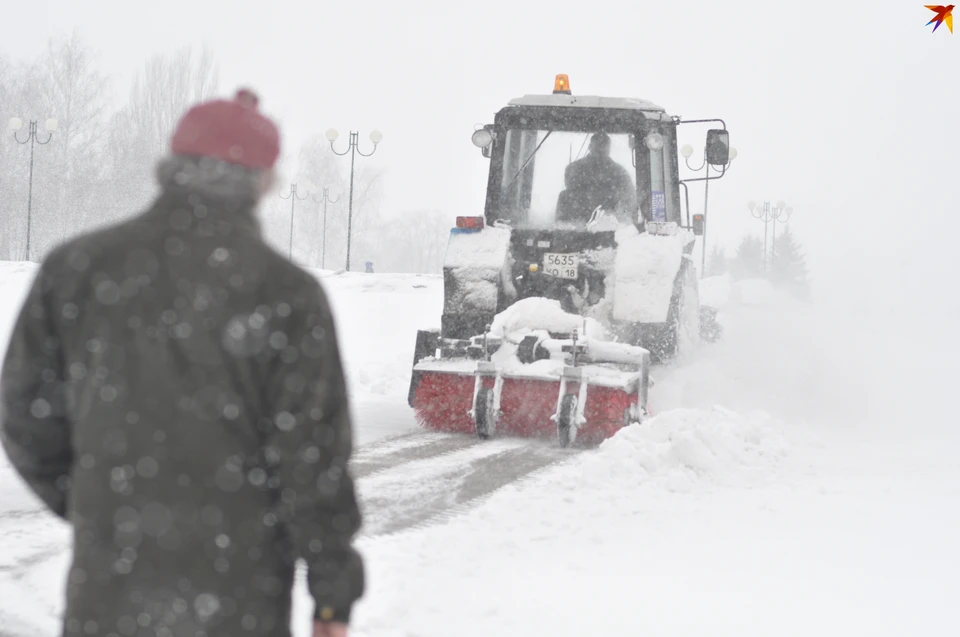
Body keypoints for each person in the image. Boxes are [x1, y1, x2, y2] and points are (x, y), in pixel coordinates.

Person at [0, 89, 363, 637]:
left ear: (170, 168)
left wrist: (99, 505)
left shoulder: (77, 269)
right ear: (262, 181)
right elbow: (312, 457)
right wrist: (332, 598)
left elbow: (25, 411)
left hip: (109, 595)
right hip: (242, 599)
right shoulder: (288, 294)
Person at [555, 131, 637, 224]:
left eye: (603, 148)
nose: (601, 151)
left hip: (613, 229)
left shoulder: (619, 173)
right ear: (590, 147)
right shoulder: (574, 169)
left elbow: (630, 200)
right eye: (598, 148)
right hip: (577, 230)